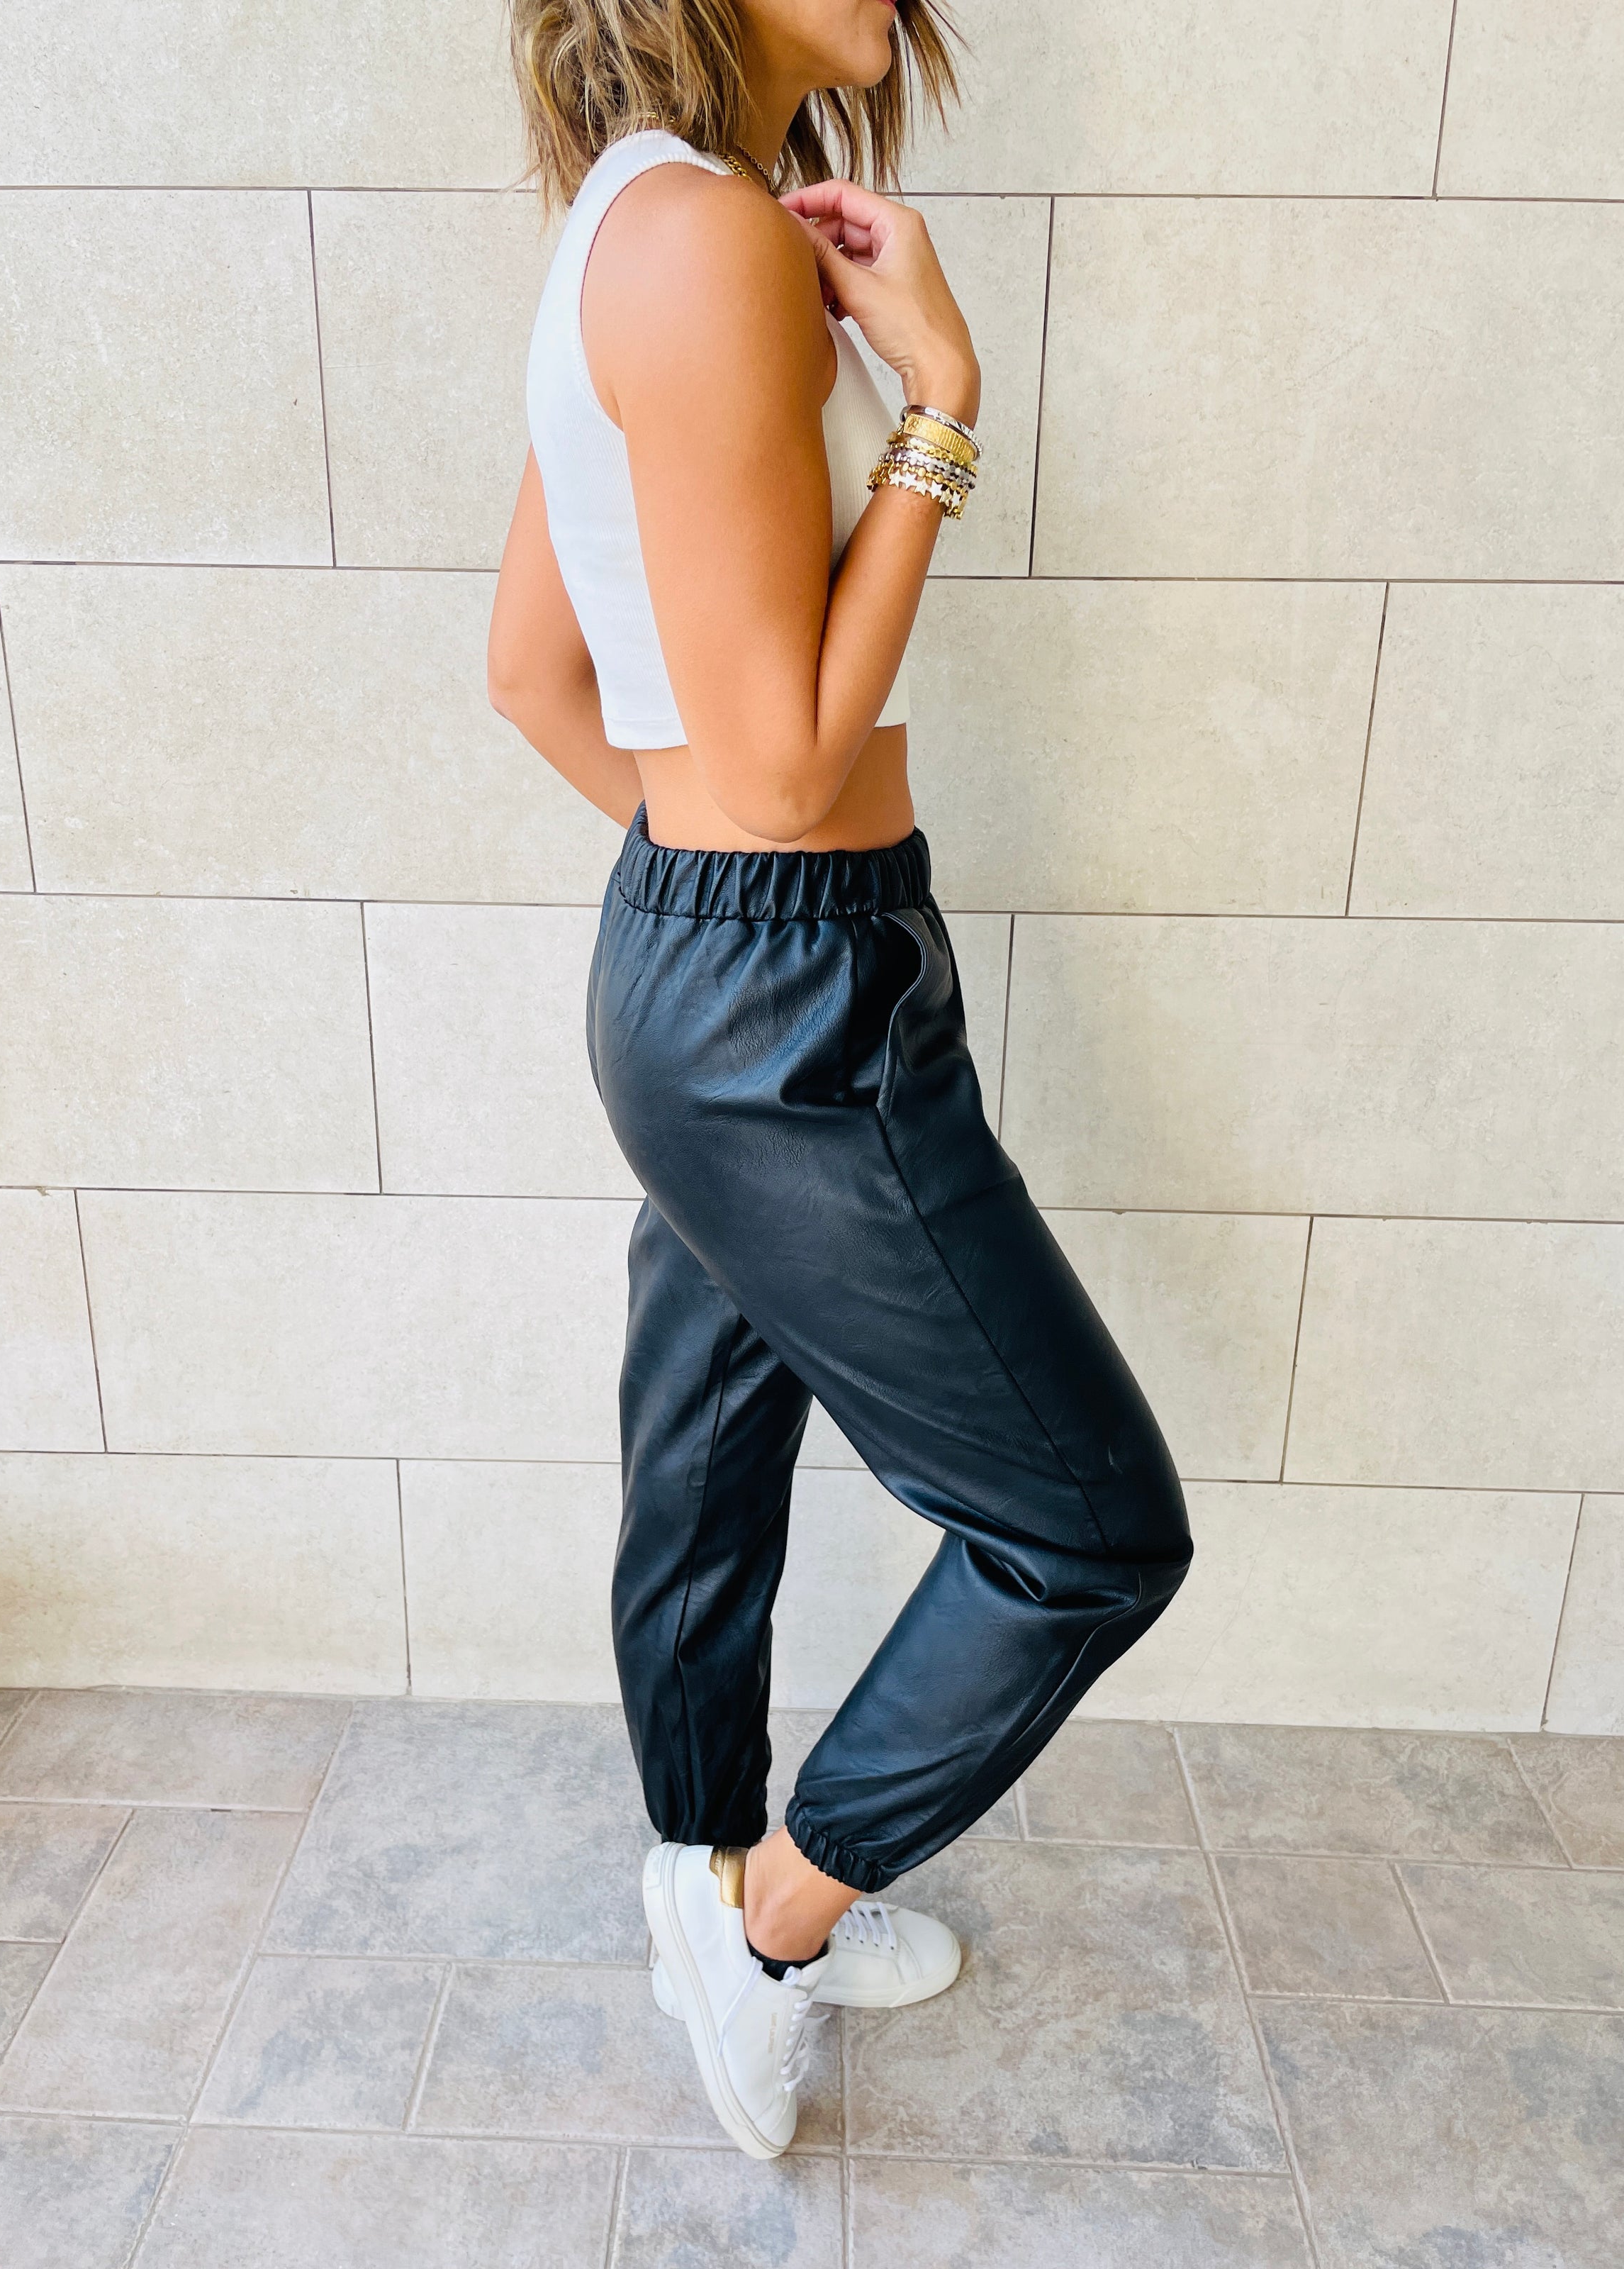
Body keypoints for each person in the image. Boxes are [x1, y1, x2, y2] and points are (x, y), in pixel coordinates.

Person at [489, 0, 1194, 2161]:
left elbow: (530, 672)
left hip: (704, 967)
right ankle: (770, 1924)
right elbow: (791, 764)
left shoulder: (630, 217)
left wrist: (698, 898)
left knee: (706, 1460)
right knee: (1085, 1531)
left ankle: (700, 1874)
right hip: (791, 993)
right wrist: (944, 406)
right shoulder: (704, 236)